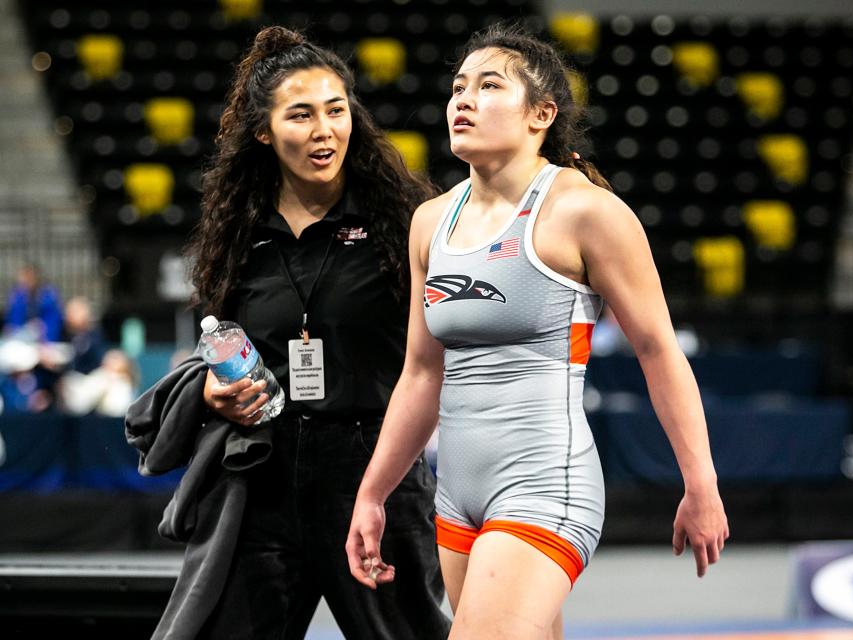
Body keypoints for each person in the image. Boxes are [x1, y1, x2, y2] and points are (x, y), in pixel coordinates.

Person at [346, 24, 730, 639]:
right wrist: (373, 494)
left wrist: (700, 482)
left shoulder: (585, 212)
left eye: (489, 85)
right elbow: (421, 373)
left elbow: (658, 351)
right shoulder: (430, 222)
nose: (462, 101)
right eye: (457, 87)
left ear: (542, 113)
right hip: (456, 499)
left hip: (545, 487)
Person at [181, 26, 450, 639]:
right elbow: (217, 347)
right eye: (300, 115)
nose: (324, 129)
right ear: (263, 131)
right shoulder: (236, 236)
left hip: (375, 470)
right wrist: (210, 394)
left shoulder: (405, 221)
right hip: (263, 477)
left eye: (336, 110)